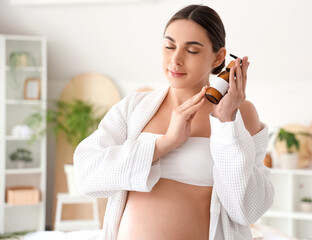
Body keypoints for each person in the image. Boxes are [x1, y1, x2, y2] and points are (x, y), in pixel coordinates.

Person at [73, 4, 274, 240]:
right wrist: (164, 144)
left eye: (192, 50)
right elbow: (86, 176)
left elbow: (248, 210)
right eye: (169, 46)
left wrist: (226, 123)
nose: (175, 59)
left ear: (218, 57)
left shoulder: (241, 114)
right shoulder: (134, 107)